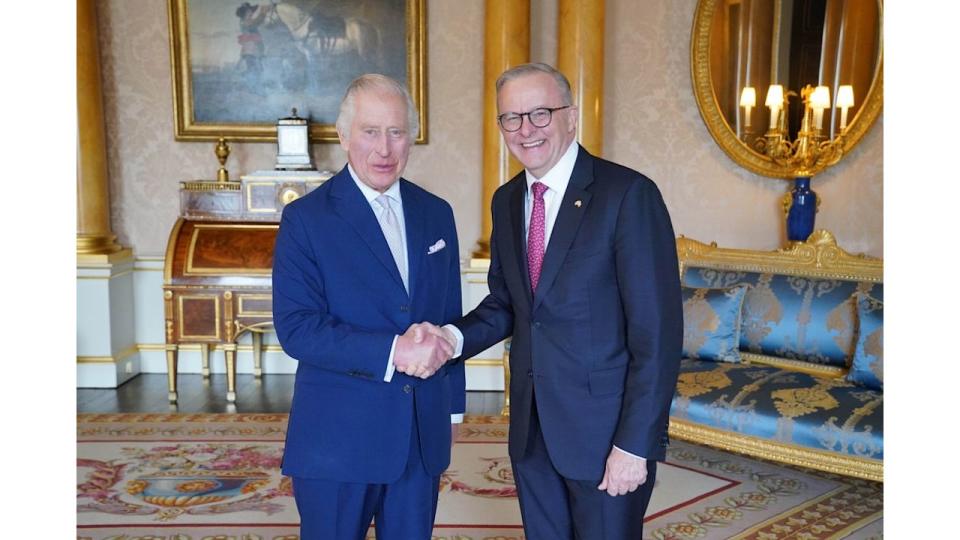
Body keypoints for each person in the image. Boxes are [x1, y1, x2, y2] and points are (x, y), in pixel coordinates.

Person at [435, 63, 683, 539]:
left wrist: (635, 444)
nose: (526, 130)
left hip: (605, 435)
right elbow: (509, 302)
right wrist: (450, 337)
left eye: (541, 113)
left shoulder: (627, 195)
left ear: (571, 117)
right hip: (532, 430)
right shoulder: (506, 200)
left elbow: (658, 335)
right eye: (512, 117)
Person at [272, 74, 464, 539]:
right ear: (343, 137)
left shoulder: (437, 213)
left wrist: (451, 411)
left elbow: (449, 315)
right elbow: (298, 328)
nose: (384, 148)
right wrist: (393, 351)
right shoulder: (305, 219)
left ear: (411, 138)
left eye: (396, 132)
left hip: (420, 436)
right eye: (370, 131)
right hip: (338, 440)